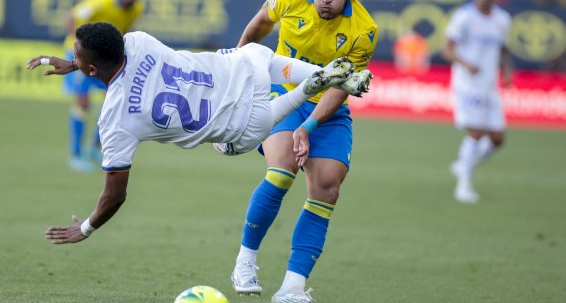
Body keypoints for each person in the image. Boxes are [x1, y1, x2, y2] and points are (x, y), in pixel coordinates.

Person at [27, 22, 374, 246]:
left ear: (91, 68)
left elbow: (114, 196)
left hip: (240, 123)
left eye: (76, 56)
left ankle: (305, 90)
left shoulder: (115, 120)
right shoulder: (137, 41)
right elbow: (107, 48)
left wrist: (84, 228)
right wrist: (75, 62)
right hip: (240, 67)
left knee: (232, 144)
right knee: (261, 59)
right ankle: (324, 75)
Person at [229, 0, 378, 303]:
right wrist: (237, 74)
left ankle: (293, 289)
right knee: (281, 170)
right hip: (281, 95)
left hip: (326, 108)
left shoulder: (365, 30)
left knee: (327, 187)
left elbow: (341, 87)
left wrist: (308, 127)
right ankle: (245, 261)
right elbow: (256, 29)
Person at [443, 0, 514, 204]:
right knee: (475, 132)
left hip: (489, 85)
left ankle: (465, 164)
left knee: (497, 139)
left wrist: (508, 71)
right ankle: (463, 184)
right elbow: (447, 49)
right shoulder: (464, 17)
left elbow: (503, 49)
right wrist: (466, 64)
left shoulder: (502, 19)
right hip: (467, 83)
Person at [63, 0, 144, 172]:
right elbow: (71, 18)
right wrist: (82, 47)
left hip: (104, 58)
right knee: (82, 102)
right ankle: (75, 154)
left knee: (115, 99)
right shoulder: (101, 2)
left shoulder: (135, 9)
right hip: (81, 55)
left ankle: (93, 147)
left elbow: (125, 30)